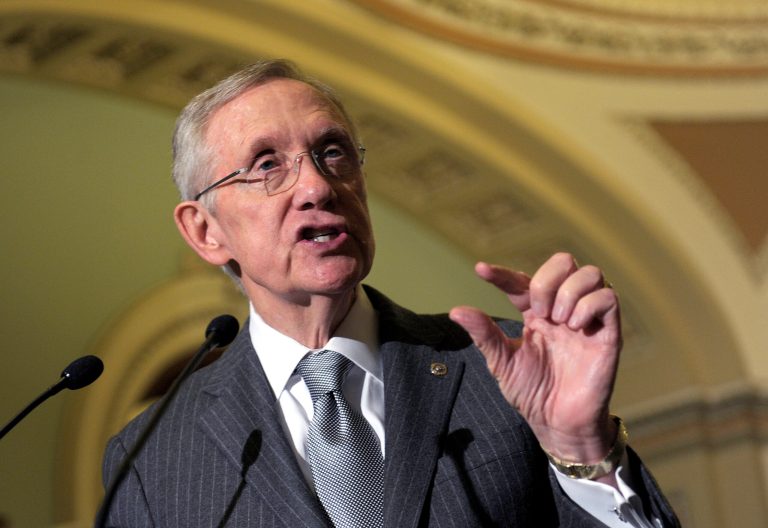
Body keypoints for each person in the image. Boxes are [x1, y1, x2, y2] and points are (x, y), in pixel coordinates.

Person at [101, 59, 680, 527]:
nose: (316, 185)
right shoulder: (153, 458)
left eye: (332, 152)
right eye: (267, 163)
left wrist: (582, 448)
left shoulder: (507, 370)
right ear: (206, 231)